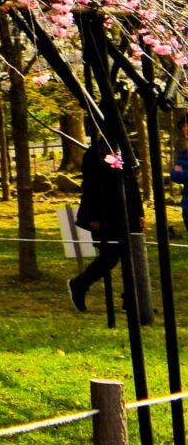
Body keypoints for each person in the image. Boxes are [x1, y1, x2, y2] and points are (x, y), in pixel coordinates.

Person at [72, 132, 142, 311]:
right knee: (110, 257)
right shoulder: (94, 154)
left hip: (128, 212)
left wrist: (139, 212)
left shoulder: (127, 151)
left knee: (132, 256)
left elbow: (132, 182)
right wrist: (93, 216)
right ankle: (79, 284)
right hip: (105, 214)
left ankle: (130, 300)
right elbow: (90, 186)